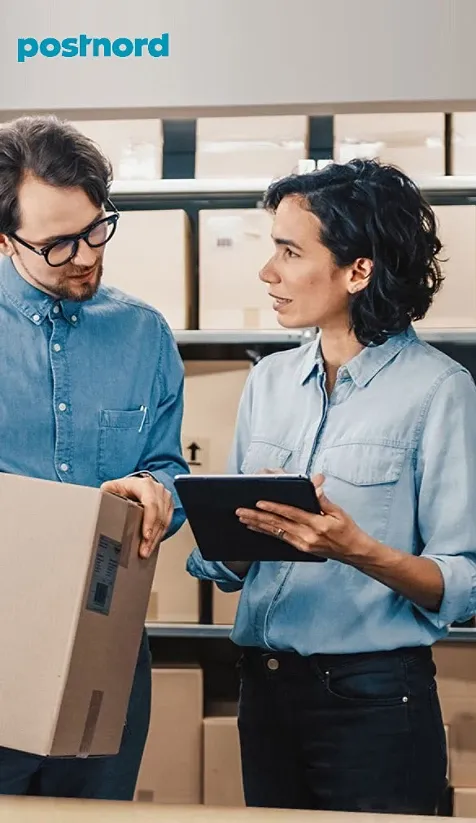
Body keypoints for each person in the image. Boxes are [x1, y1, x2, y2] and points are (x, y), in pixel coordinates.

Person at [187, 158, 476, 815]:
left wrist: (355, 548)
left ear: (359, 270)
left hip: (374, 702)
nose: (269, 273)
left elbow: (463, 582)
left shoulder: (439, 390)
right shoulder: (268, 382)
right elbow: (224, 569)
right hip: (265, 693)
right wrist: (236, 529)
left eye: (290, 252)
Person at [0, 114, 189, 799]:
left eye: (96, 228)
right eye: (56, 244)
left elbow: (169, 464)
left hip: (106, 650)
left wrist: (153, 487)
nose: (84, 254)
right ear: (3, 238)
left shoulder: (143, 334)